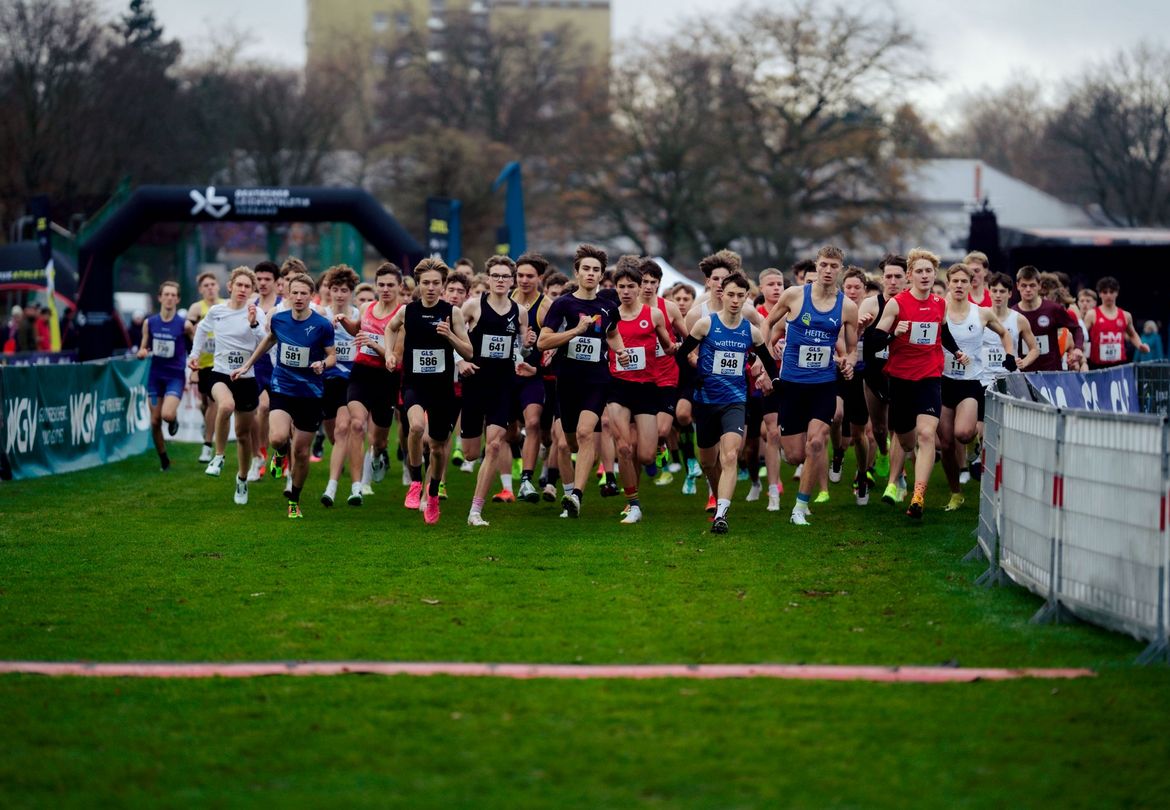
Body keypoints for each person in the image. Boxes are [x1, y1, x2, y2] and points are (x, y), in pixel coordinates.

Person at [868, 249, 972, 519]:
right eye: (920, 271)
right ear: (910, 275)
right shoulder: (897, 304)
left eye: (929, 271)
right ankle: (898, 473)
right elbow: (873, 342)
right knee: (905, 441)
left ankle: (918, 496)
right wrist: (893, 334)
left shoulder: (940, 303)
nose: (925, 276)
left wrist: (956, 351)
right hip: (901, 379)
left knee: (927, 435)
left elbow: (943, 332)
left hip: (930, 376)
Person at [766, 246, 859, 525]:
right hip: (793, 384)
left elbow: (853, 348)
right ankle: (798, 475)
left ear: (840, 269)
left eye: (834, 266)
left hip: (824, 384)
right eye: (824, 265)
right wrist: (766, 351)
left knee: (816, 443)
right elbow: (768, 321)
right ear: (816, 267)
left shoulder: (848, 307)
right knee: (795, 455)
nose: (828, 270)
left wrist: (848, 362)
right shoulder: (794, 295)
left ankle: (800, 507)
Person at [678, 272, 777, 533]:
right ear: (722, 294)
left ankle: (721, 513)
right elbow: (681, 355)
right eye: (730, 294)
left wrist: (771, 380)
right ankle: (716, 489)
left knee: (731, 454)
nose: (734, 300)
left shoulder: (751, 331)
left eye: (740, 295)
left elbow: (767, 360)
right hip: (705, 401)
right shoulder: (705, 325)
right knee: (708, 462)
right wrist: (695, 377)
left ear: (746, 298)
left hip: (735, 401)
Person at [537, 244, 631, 519]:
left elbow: (612, 334)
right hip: (567, 379)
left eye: (596, 270)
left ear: (602, 275)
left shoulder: (609, 307)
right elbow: (543, 341)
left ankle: (576, 495)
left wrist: (621, 351)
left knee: (585, 432)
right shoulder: (563, 304)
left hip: (597, 379)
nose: (591, 274)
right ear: (576, 273)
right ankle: (570, 490)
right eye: (586, 269)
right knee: (569, 443)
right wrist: (575, 331)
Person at [234, 272, 335, 519]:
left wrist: (323, 364)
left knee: (301, 452)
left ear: (311, 296)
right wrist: (248, 365)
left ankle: (294, 500)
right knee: (278, 437)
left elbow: (332, 355)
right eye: (295, 292)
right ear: (288, 295)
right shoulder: (279, 320)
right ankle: (279, 454)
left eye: (304, 293)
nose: (299, 297)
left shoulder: (322, 325)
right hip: (283, 387)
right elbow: (269, 341)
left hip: (310, 394)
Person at [386, 258, 474, 524]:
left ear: (443, 286)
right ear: (419, 284)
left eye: (436, 283)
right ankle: (415, 482)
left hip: (442, 388)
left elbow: (469, 351)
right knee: (414, 428)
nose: (431, 288)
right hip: (413, 383)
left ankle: (433, 493)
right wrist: (390, 353)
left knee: (437, 448)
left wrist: (449, 336)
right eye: (426, 283)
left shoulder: (453, 313)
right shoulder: (406, 311)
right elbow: (390, 329)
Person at [936, 263, 1016, 512]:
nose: (959, 285)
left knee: (963, 434)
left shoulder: (981, 313)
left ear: (972, 284)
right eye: (955, 281)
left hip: (971, 382)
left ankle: (973, 448)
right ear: (948, 283)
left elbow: (1005, 333)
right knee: (946, 444)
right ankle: (955, 492)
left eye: (964, 281)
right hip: (942, 380)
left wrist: (1010, 355)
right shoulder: (940, 310)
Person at [605, 258, 677, 524]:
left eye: (630, 286)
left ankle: (656, 454)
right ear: (616, 288)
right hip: (618, 387)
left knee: (645, 455)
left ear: (639, 288)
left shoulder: (654, 315)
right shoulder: (609, 314)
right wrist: (617, 353)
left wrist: (676, 349)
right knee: (624, 448)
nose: (625, 291)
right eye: (621, 286)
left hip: (647, 388)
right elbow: (604, 342)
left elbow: (668, 346)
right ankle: (633, 504)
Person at [189, 267, 267, 505]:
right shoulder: (217, 311)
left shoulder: (257, 312)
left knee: (243, 435)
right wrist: (194, 354)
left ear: (252, 291)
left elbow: (265, 341)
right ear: (230, 286)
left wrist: (253, 325)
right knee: (225, 406)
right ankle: (219, 456)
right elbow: (202, 330)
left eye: (248, 287)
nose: (243, 290)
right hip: (220, 373)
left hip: (245, 377)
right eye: (239, 285)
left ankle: (242, 480)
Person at [462, 255, 527, 526]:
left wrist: (525, 353)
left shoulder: (519, 312)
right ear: (488, 279)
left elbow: (521, 347)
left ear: (512, 281)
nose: (501, 281)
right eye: (496, 276)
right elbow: (456, 335)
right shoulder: (472, 307)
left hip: (503, 384)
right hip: (475, 383)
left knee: (495, 445)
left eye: (505, 276)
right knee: (470, 453)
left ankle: (475, 510)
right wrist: (460, 360)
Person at [336, 262, 403, 504]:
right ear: (375, 286)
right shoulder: (367, 307)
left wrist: (375, 344)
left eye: (390, 285)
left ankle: (378, 455)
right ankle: (356, 486)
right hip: (362, 373)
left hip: (387, 377)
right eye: (381, 285)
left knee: (379, 439)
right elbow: (357, 331)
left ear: (399, 287)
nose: (385, 289)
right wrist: (344, 321)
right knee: (356, 424)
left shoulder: (403, 314)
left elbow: (396, 358)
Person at [859, 255, 907, 490]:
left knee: (900, 427)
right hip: (875, 373)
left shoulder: (911, 304)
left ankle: (898, 478)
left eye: (898, 276)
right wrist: (861, 326)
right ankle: (883, 451)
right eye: (888, 276)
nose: (893, 281)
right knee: (878, 428)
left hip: (903, 373)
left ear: (906, 278)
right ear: (882, 278)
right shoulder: (870, 304)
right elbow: (855, 338)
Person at [509, 253, 554, 502]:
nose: (524, 280)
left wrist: (539, 367)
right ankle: (520, 444)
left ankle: (526, 480)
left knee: (534, 423)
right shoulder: (506, 299)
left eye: (530, 276)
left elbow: (555, 343)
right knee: (509, 432)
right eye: (520, 275)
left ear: (540, 278)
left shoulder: (546, 307)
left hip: (532, 376)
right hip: (506, 376)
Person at [318, 265, 361, 507]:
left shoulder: (358, 315)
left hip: (352, 380)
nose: (340, 294)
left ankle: (338, 488)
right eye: (335, 289)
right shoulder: (320, 314)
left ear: (351, 292)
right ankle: (343, 464)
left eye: (344, 290)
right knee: (334, 432)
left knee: (346, 428)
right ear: (329, 290)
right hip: (326, 380)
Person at [136, 281, 187, 471]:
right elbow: (144, 345)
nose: (170, 298)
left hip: (175, 376)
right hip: (155, 376)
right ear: (160, 297)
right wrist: (141, 352)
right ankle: (164, 458)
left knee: (166, 415)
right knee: (155, 420)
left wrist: (195, 365)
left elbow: (193, 346)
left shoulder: (185, 325)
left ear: (178, 299)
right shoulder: (150, 323)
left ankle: (173, 420)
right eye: (166, 294)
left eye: (174, 295)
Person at [247, 260, 282, 483]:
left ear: (277, 282)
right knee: (259, 409)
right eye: (258, 279)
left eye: (267, 279)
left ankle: (281, 456)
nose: (262, 283)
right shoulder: (250, 304)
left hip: (279, 366)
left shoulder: (283, 305)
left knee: (279, 415)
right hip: (257, 365)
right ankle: (258, 457)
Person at [1012, 266, 1084, 372]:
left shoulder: (1053, 309)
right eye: (1024, 285)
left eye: (1032, 285)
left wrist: (1078, 348)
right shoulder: (1013, 313)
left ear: (1039, 286)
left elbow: (1076, 328)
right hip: (1024, 374)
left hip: (1051, 374)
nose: (1028, 289)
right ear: (1017, 286)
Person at [186, 272, 224, 463]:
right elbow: (188, 324)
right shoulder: (197, 307)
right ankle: (208, 426)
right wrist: (190, 327)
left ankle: (207, 446)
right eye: (206, 285)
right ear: (201, 289)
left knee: (212, 403)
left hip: (220, 363)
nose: (210, 288)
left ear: (218, 286)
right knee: (205, 404)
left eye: (212, 284)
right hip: (204, 363)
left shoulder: (225, 305)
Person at [1084, 276, 1148, 369]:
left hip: (1119, 366)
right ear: (1100, 294)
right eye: (1105, 292)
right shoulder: (1092, 314)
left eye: (1111, 292)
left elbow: (1132, 334)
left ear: (1117, 293)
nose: (1108, 295)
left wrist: (1140, 345)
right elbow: (1081, 335)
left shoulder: (1126, 315)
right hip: (1097, 367)